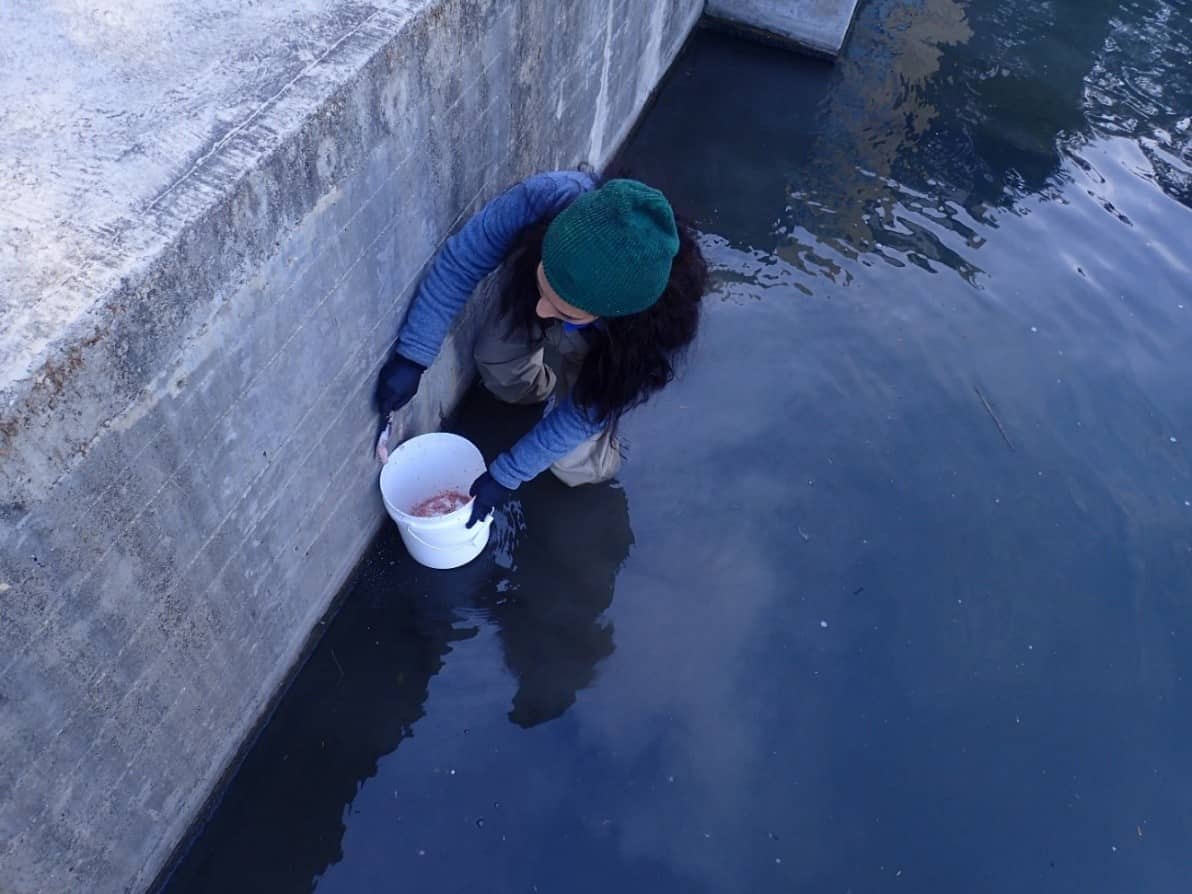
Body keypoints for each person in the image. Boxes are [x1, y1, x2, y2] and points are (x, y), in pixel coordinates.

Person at [374, 170, 707, 527]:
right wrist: (413, 354)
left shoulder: (652, 335)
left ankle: (582, 412)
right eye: (544, 280)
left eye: (562, 309)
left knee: (575, 466)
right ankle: (540, 381)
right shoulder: (544, 198)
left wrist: (507, 474)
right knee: (496, 366)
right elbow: (461, 262)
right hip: (540, 292)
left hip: (608, 348)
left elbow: (585, 412)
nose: (541, 313)